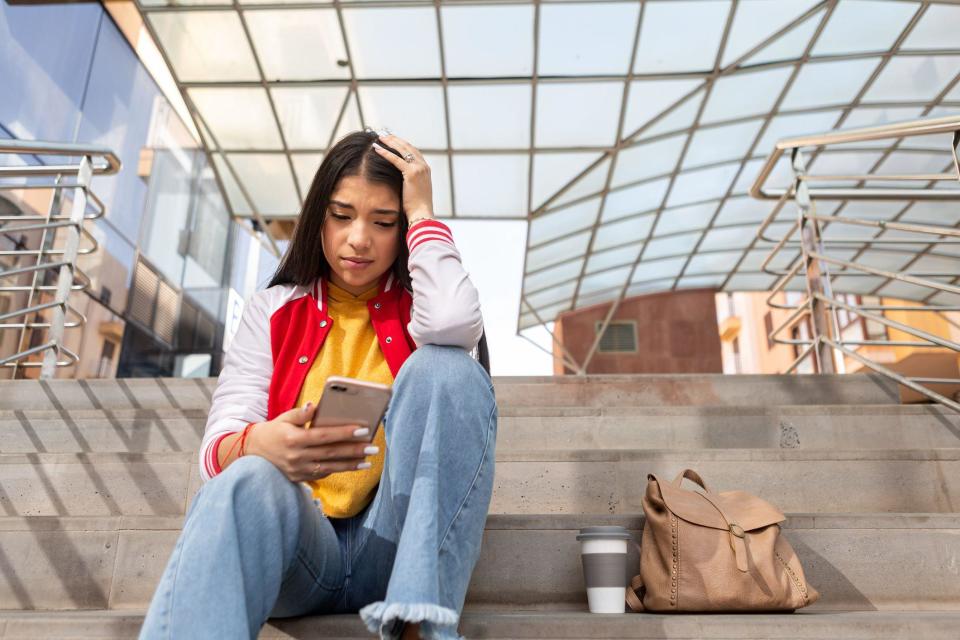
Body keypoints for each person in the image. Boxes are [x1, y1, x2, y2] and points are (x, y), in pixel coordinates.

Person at [138, 129, 497, 640]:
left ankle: (420, 625)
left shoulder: (422, 309)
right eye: (342, 215)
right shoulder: (272, 310)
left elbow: (457, 322)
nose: (359, 239)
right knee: (245, 481)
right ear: (318, 218)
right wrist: (262, 444)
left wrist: (423, 213)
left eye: (385, 221)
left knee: (449, 369)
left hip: (395, 552)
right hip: (299, 551)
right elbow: (214, 452)